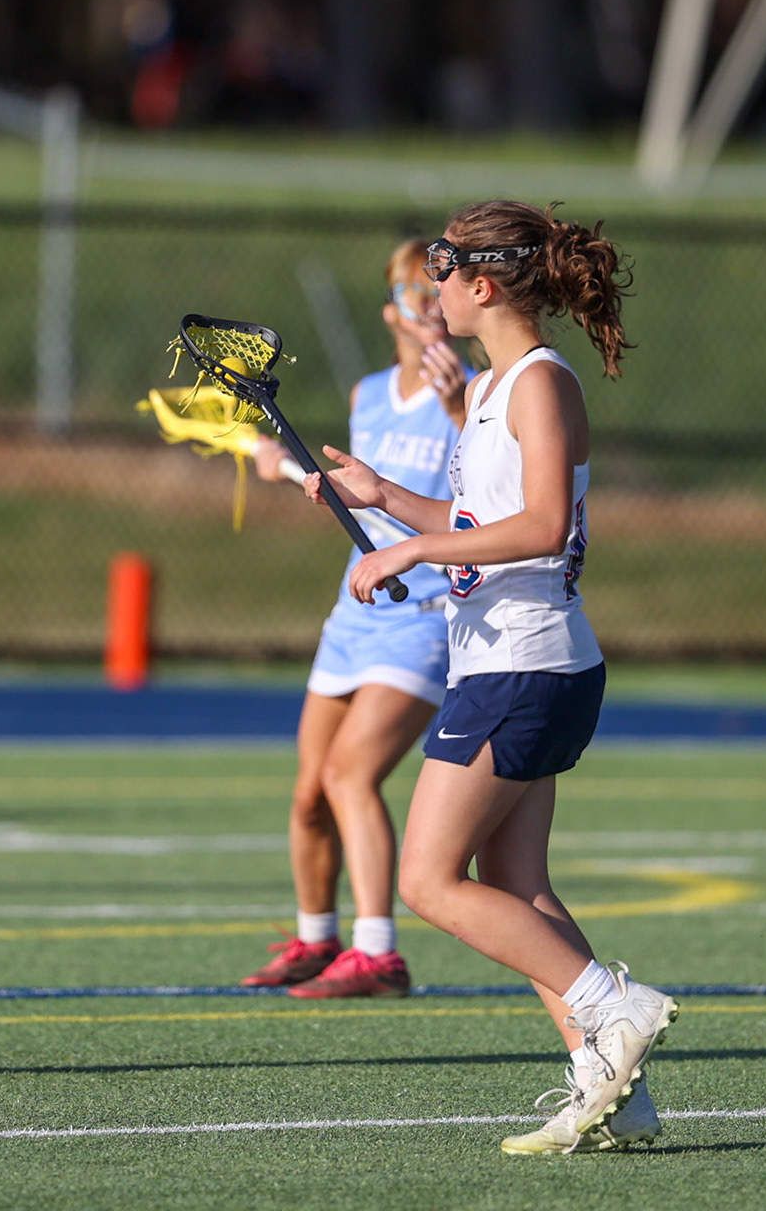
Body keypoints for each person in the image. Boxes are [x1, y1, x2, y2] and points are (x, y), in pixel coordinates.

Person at [309, 201, 676, 1155]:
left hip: (526, 663)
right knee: (518, 883)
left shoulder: (539, 385)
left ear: (482, 282)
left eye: (442, 273)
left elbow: (546, 524)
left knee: (430, 881)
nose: (431, 293)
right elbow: (483, 517)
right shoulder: (486, 388)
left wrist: (409, 553)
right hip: (507, 663)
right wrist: (385, 500)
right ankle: (617, 1089)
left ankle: (615, 1008)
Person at [239, 239, 472, 999]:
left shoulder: (477, 392)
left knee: (350, 774)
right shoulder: (370, 394)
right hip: (355, 608)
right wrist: (282, 466)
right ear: (391, 311)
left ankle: (379, 953)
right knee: (309, 793)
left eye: (441, 288)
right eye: (416, 290)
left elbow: (491, 486)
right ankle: (317, 940)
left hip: (425, 611)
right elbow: (354, 487)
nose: (432, 303)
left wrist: (457, 406)